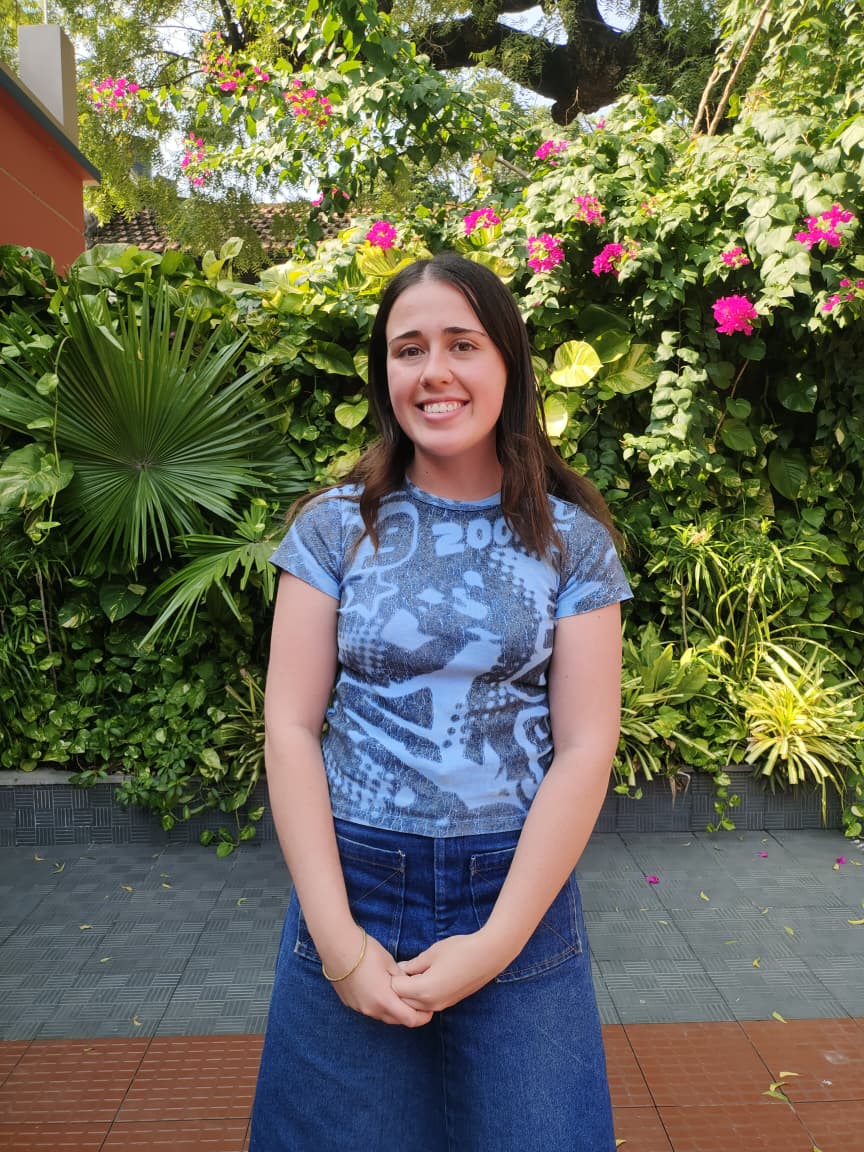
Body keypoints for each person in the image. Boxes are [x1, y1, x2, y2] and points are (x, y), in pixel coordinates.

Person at [249, 252, 631, 1151]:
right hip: (354, 886)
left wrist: (497, 943)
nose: (434, 372)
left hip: (513, 891)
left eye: (462, 344)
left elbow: (587, 746)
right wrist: (339, 946)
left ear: (507, 363)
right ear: (385, 373)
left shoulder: (572, 542)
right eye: (408, 349)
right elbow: (290, 726)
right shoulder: (334, 527)